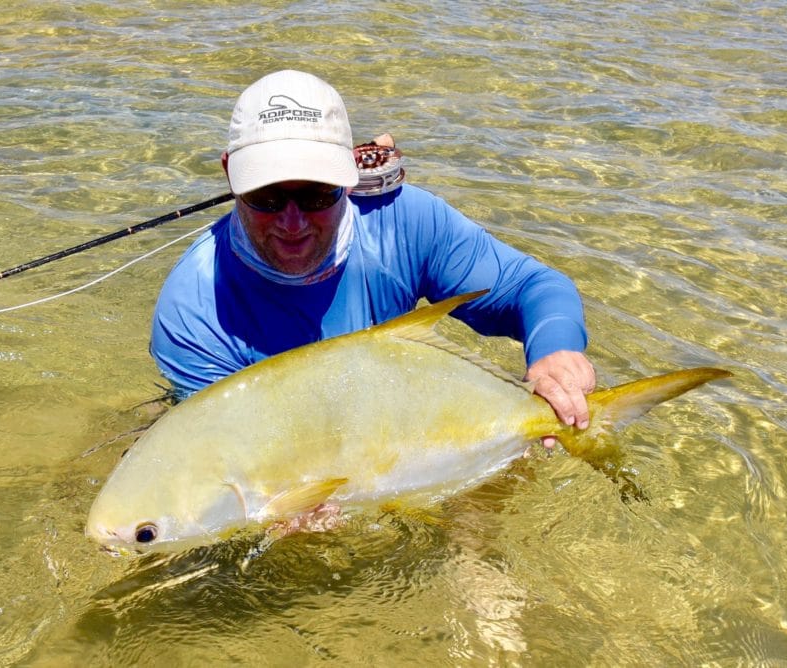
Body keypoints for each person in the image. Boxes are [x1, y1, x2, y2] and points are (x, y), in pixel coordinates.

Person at [150, 70, 596, 442]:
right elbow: (229, 450)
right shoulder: (193, 309)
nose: (292, 223)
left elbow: (537, 288)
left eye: (315, 194)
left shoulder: (407, 221)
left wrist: (555, 354)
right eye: (265, 196)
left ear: (348, 177)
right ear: (231, 174)